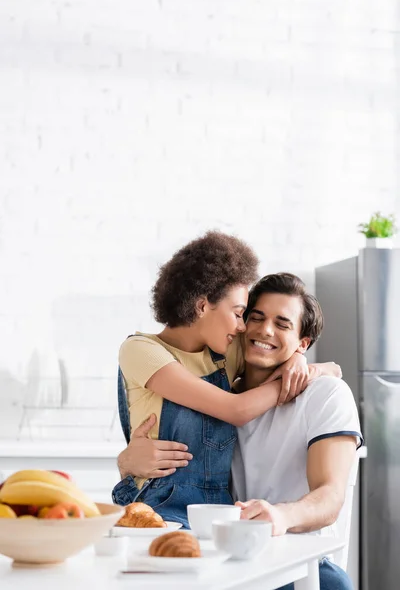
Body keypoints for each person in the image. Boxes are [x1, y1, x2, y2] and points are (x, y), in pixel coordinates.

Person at [116, 272, 362, 590]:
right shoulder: (220, 399)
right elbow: (227, 417)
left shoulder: (325, 394)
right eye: (252, 317)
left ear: (303, 343)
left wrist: (282, 516)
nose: (263, 330)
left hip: (291, 555)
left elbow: (330, 498)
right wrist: (126, 462)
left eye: (282, 324)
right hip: (227, 552)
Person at [112, 231, 339, 528]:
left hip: (219, 507)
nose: (244, 326)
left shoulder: (224, 353)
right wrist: (291, 378)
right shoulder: (141, 350)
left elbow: (284, 353)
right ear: (203, 305)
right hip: (158, 504)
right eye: (238, 313)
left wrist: (301, 360)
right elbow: (236, 410)